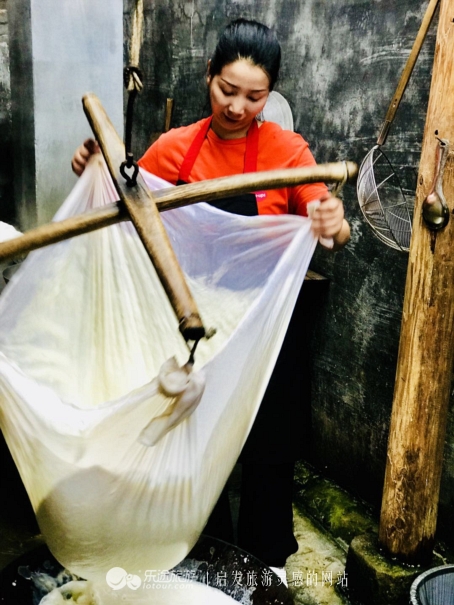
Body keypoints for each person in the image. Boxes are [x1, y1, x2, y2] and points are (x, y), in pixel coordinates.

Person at [72, 18, 350, 583]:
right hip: (198, 326)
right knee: (199, 448)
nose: (239, 107)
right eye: (227, 89)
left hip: (268, 326)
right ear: (208, 77)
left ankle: (264, 570)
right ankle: (205, 559)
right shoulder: (176, 148)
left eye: (255, 96)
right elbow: (132, 205)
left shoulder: (286, 149)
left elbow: (328, 223)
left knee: (269, 449)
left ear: (270, 93)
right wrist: (96, 169)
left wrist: (329, 220)